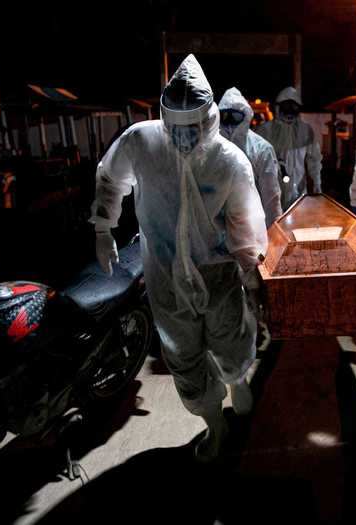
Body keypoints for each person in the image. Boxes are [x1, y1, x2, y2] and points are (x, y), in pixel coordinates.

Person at [91, 55, 267, 462]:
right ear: (164, 121)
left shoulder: (229, 161)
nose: (185, 138)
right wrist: (103, 227)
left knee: (232, 343)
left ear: (210, 121)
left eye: (194, 129)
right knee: (182, 357)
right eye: (177, 129)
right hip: (165, 276)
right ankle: (214, 424)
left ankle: (237, 379)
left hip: (219, 273)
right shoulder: (142, 142)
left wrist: (250, 268)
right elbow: (110, 177)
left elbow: (245, 219)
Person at [218, 87, 283, 227]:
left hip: (252, 230)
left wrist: (273, 234)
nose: (230, 122)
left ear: (245, 116)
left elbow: (271, 198)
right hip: (220, 232)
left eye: (235, 116)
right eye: (225, 115)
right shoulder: (213, 147)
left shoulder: (261, 149)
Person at [255, 86, 322, 210]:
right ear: (278, 107)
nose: (290, 111)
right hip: (273, 192)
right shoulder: (265, 131)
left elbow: (314, 160)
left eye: (294, 107)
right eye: (286, 107)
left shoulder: (305, 131)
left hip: (299, 192)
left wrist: (317, 184)